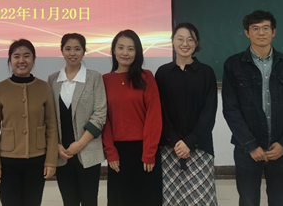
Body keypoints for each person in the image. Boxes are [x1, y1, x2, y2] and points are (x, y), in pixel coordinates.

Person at [222, 10, 283, 206]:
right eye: (255, 28)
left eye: (265, 28)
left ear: (273, 32)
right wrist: (251, 145)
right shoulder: (233, 65)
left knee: (280, 201)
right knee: (248, 200)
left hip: (281, 150)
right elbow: (231, 110)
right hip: (247, 150)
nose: (261, 32)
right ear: (247, 33)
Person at [0, 39, 58, 206]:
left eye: (27, 56)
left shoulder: (44, 87)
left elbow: (52, 128)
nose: (21, 60)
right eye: (16, 56)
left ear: (33, 59)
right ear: (10, 60)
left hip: (37, 160)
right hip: (7, 162)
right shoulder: (0, 88)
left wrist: (51, 161)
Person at [155, 22, 218, 205]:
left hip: (200, 147)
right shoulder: (162, 73)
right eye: (180, 39)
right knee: (170, 200)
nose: (185, 44)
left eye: (190, 39)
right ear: (173, 41)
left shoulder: (206, 73)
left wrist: (189, 142)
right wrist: (176, 141)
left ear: (196, 43)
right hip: (169, 148)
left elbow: (209, 112)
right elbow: (160, 112)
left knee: (201, 200)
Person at [102, 29, 162, 206]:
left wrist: (149, 153)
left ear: (137, 52)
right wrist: (110, 152)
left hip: (144, 151)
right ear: (113, 50)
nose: (125, 53)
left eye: (131, 49)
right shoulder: (105, 80)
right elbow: (104, 120)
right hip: (118, 152)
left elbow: (154, 116)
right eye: (120, 47)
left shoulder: (146, 77)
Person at [48, 33, 107, 206]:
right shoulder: (52, 80)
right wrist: (56, 146)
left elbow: (100, 114)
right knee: (69, 201)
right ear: (62, 51)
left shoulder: (94, 77)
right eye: (68, 49)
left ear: (84, 51)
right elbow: (48, 116)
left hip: (87, 151)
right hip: (62, 153)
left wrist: (79, 144)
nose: (72, 53)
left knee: (89, 201)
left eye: (77, 49)